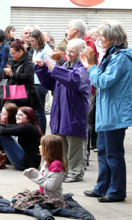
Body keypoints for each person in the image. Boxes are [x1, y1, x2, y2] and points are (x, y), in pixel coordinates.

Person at [80, 20, 132, 203]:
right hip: (106, 113)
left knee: (113, 153)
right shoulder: (112, 55)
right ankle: (103, 186)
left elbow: (103, 82)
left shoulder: (121, 58)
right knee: (102, 150)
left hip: (114, 114)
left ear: (114, 38)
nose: (100, 39)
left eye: (103, 35)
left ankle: (117, 191)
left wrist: (91, 66)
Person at [34, 38, 91, 183]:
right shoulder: (65, 65)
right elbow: (50, 83)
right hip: (61, 112)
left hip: (74, 112)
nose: (69, 54)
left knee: (75, 145)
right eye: (68, 51)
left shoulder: (83, 68)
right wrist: (42, 68)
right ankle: (66, 170)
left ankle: (76, 173)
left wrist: (54, 68)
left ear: (80, 53)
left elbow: (74, 81)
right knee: (63, 144)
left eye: (72, 52)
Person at [0, 106, 42, 170]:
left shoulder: (28, 127)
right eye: (17, 114)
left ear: (28, 118)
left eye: (21, 115)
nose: (17, 117)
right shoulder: (25, 125)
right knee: (2, 135)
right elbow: (6, 127)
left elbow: (3, 131)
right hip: (26, 159)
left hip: (27, 164)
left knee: (1, 135)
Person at [20, 135, 66, 208]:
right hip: (44, 195)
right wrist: (37, 173)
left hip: (52, 200)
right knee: (21, 196)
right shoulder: (47, 160)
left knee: (25, 204)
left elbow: (51, 186)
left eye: (41, 145)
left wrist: (35, 175)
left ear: (49, 149)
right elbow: (44, 178)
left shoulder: (56, 164)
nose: (39, 147)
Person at [1, 39, 41, 110]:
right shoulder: (11, 61)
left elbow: (27, 77)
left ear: (20, 51)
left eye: (13, 53)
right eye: (11, 53)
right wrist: (6, 72)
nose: (12, 55)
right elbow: (4, 75)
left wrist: (12, 74)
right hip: (10, 92)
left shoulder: (28, 62)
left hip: (25, 93)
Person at [30, 29, 55, 134]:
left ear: (39, 40)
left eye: (33, 41)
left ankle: (41, 134)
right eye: (30, 41)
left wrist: (38, 65)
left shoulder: (47, 51)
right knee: (35, 110)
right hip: (35, 81)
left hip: (41, 82)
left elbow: (51, 67)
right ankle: (37, 133)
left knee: (40, 111)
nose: (31, 44)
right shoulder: (37, 50)